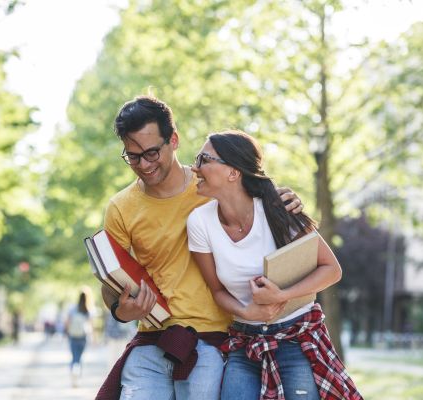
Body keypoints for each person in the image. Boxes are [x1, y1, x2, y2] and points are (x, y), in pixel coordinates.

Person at [96, 96, 304, 400]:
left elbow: (256, 203)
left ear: (174, 140)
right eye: (133, 156)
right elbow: (110, 281)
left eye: (152, 152)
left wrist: (285, 200)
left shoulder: (210, 186)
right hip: (151, 339)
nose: (144, 164)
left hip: (212, 340)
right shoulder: (120, 208)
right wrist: (120, 308)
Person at [187, 130, 363, 400]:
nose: (194, 167)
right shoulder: (199, 222)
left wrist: (282, 295)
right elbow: (217, 290)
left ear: (233, 173)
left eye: (204, 159)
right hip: (245, 343)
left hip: (295, 338)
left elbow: (331, 269)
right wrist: (248, 311)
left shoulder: (278, 209)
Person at [65, 290, 93, 386]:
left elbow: (68, 322)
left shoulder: (73, 309)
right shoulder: (87, 310)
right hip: (82, 337)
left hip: (73, 336)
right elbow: (90, 325)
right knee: (79, 358)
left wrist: (68, 332)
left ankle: (73, 375)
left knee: (74, 357)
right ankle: (77, 376)